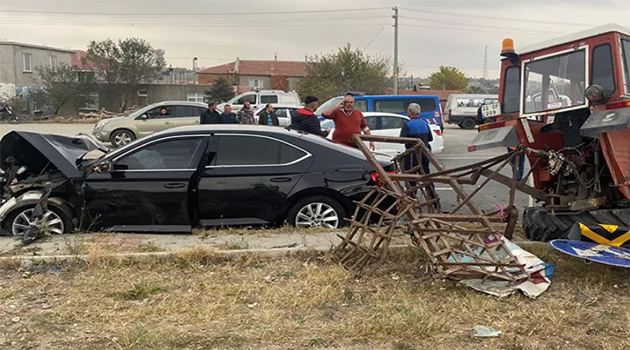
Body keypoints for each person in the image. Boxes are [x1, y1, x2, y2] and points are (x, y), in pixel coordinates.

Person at [400, 103, 437, 206]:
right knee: (426, 176)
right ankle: (434, 199)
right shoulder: (425, 124)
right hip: (424, 154)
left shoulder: (408, 125)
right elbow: (430, 138)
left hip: (411, 155)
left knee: (411, 178)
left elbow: (402, 139)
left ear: (410, 112)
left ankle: (411, 200)